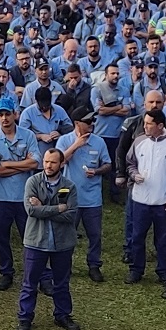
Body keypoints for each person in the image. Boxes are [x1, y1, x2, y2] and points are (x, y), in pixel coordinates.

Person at [16, 148, 81, 330]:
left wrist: (43, 208)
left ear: (61, 164)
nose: (48, 165)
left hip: (62, 243)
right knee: (30, 283)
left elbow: (71, 215)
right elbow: (31, 211)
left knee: (62, 282)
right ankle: (25, 318)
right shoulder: (32, 182)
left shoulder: (70, 186)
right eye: (45, 161)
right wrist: (57, 209)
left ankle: (63, 315)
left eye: (52, 162)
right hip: (36, 241)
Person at [0, 97, 42, 293]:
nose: (5, 118)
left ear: (15, 114)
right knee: (1, 236)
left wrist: (6, 163)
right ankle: (6, 272)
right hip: (0, 197)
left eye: (8, 114)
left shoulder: (28, 135)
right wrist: (21, 166)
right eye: (1, 114)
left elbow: (35, 163)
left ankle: (35, 273)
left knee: (31, 236)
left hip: (24, 195)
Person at [56, 109, 112, 282]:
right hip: (71, 197)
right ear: (77, 124)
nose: (91, 125)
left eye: (92, 122)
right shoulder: (64, 140)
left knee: (94, 234)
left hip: (92, 198)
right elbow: (57, 162)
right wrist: (76, 145)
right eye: (87, 122)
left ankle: (94, 265)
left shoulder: (99, 142)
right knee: (67, 234)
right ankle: (65, 265)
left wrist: (97, 171)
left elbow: (108, 164)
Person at [124, 108, 166, 288]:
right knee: (137, 237)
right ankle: (136, 269)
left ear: (160, 125)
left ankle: (163, 271)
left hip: (163, 202)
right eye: (145, 122)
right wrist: (134, 174)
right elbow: (129, 162)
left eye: (148, 124)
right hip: (140, 200)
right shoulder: (139, 141)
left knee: (162, 239)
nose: (144, 126)